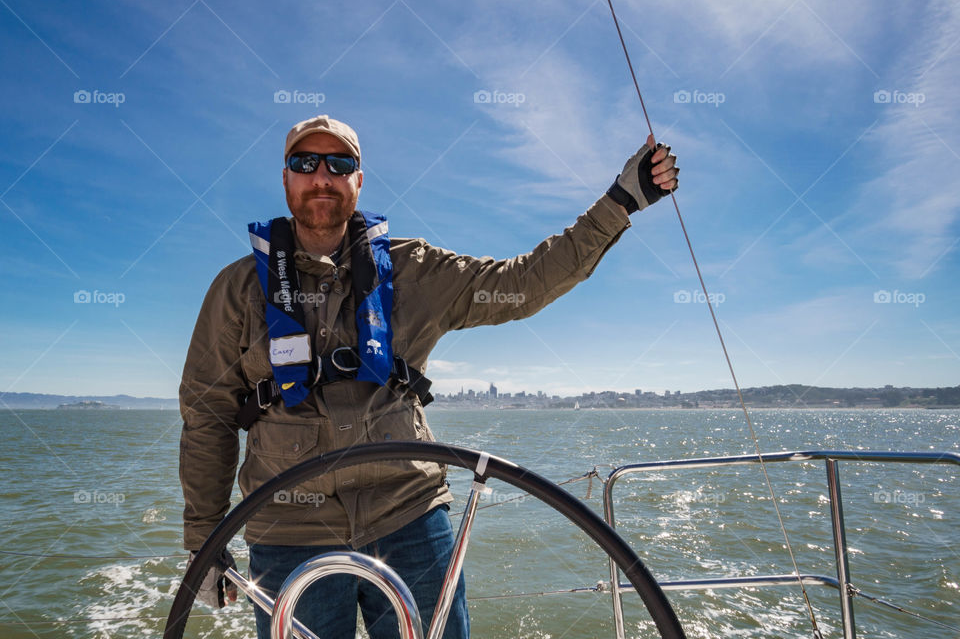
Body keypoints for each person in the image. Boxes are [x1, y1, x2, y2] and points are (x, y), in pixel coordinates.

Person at [178, 114, 679, 638]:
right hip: (288, 528)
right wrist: (204, 544)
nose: (322, 176)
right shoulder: (237, 290)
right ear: (286, 179)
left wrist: (620, 201)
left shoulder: (414, 269)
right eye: (305, 163)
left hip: (409, 516)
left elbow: (523, 283)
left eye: (340, 163)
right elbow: (207, 417)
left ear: (359, 180)